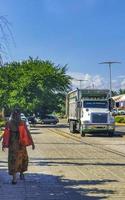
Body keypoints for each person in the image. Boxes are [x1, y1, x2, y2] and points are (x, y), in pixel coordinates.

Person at [2, 109, 35, 184]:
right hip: (20, 144)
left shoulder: (9, 123)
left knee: (13, 160)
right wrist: (32, 143)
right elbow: (27, 132)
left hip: (13, 144)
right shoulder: (22, 122)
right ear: (19, 115)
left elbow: (6, 134)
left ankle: (14, 178)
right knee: (22, 158)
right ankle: (21, 174)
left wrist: (3, 144)